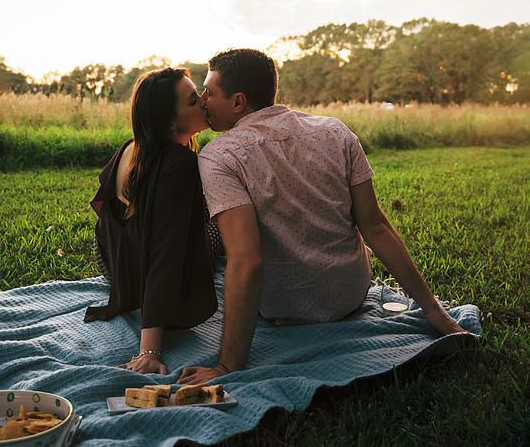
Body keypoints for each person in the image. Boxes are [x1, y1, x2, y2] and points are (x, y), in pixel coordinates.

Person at [178, 48, 467, 386]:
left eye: (209, 92)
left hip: (283, 309)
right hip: (349, 296)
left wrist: (228, 366)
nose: (203, 100)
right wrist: (432, 311)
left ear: (238, 102)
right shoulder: (336, 131)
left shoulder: (219, 156)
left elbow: (246, 260)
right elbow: (376, 227)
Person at [84, 67, 218, 374]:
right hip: (142, 277)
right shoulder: (180, 164)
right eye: (193, 100)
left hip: (113, 264)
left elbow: (105, 211)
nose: (204, 102)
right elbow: (165, 252)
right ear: (170, 121)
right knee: (220, 225)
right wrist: (150, 350)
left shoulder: (132, 147)